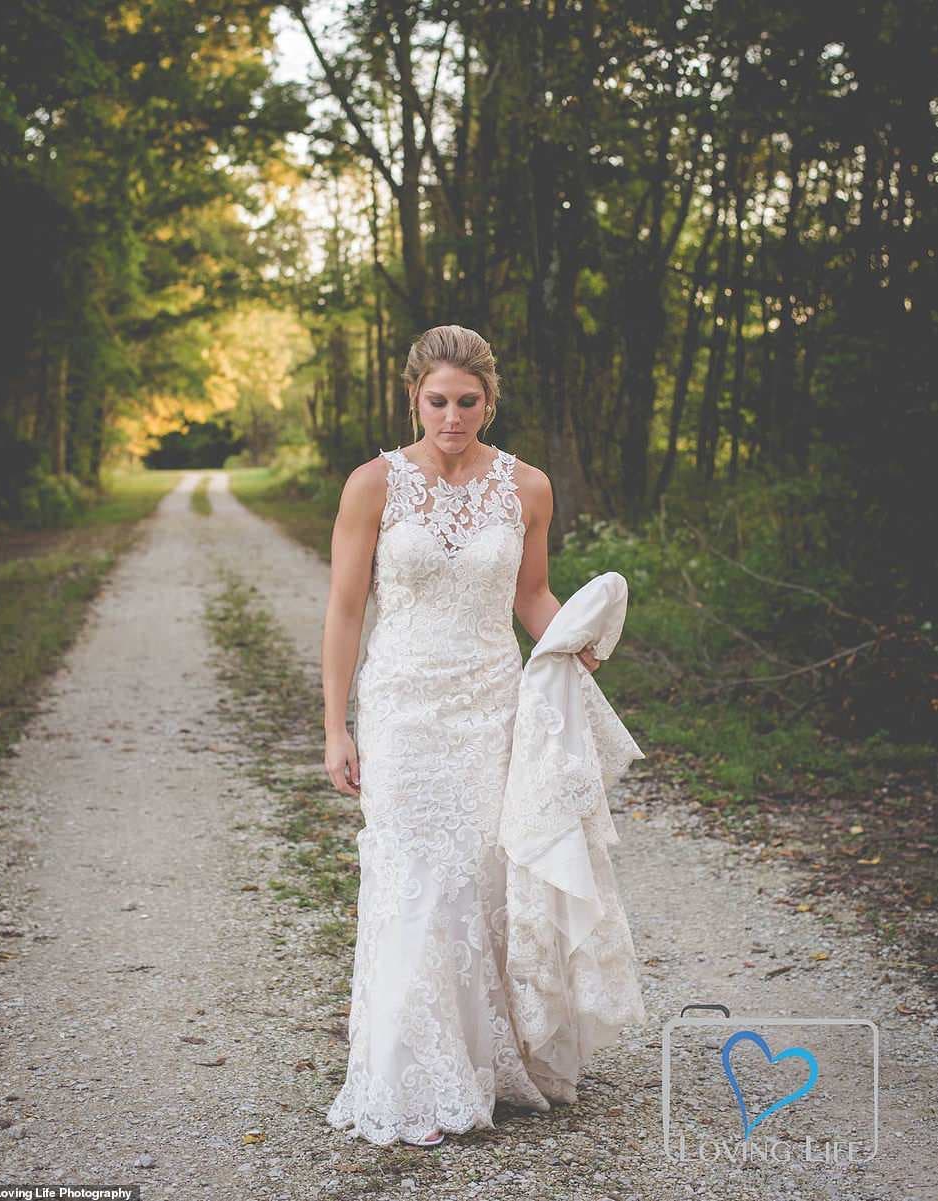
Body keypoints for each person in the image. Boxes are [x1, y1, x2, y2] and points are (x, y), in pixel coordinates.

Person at [320, 324, 602, 1148]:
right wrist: (334, 726)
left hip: (490, 703)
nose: (452, 417)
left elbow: (532, 595)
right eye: (437, 401)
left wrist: (572, 642)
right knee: (413, 872)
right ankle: (408, 1069)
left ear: (489, 400)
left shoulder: (528, 488)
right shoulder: (372, 484)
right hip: (403, 705)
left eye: (467, 402)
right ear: (413, 396)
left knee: (480, 874)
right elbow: (344, 610)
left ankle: (487, 1058)